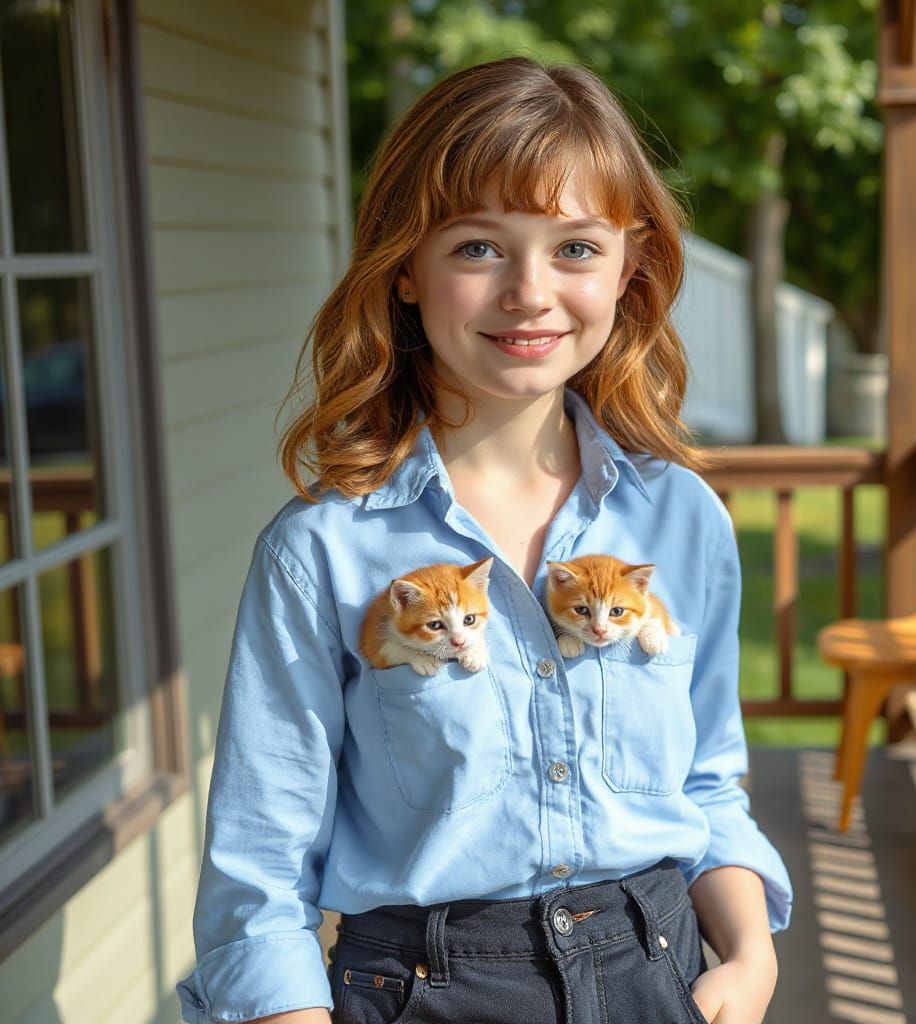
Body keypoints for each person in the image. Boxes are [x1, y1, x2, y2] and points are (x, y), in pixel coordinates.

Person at [176, 56, 793, 1024]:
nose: (529, 293)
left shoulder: (677, 517)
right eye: (477, 248)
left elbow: (708, 777)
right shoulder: (325, 550)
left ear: (631, 268)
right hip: (422, 989)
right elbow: (260, 863)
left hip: (659, 967)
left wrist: (749, 956)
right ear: (406, 270)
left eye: (575, 249)